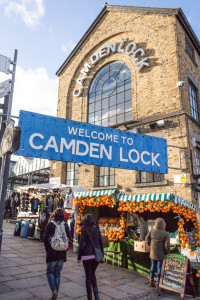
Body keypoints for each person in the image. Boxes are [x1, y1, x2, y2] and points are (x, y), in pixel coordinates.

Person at [44, 208, 69, 300]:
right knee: (57, 274)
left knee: (49, 272)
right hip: (62, 253)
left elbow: (45, 239)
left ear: (54, 215)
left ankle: (54, 291)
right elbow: (68, 238)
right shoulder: (66, 225)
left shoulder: (50, 224)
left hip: (52, 252)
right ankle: (55, 294)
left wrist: (47, 250)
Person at [77, 214, 104, 300]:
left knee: (88, 277)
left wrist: (79, 257)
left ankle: (89, 297)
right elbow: (101, 242)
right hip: (96, 256)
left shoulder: (84, 229)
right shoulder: (97, 228)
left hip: (87, 255)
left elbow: (81, 245)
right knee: (93, 274)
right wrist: (102, 254)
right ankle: (96, 296)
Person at [145, 218, 170, 290]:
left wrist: (150, 245)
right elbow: (167, 244)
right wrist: (167, 251)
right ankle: (158, 284)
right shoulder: (165, 233)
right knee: (160, 268)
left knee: (153, 266)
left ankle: (151, 281)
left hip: (152, 252)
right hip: (161, 254)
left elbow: (147, 238)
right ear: (164, 225)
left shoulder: (152, 231)